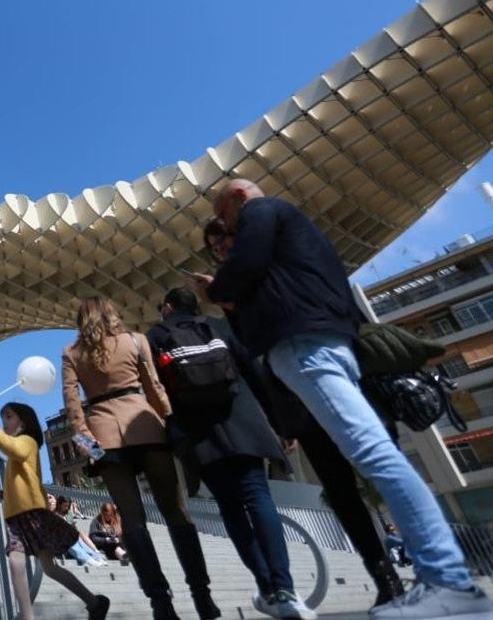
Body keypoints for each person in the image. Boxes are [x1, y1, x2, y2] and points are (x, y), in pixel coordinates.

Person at [194, 178, 491, 620]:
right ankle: (436, 579)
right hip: (323, 343)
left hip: (307, 348)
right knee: (372, 457)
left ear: (237, 198)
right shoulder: (292, 249)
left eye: (222, 215)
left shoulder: (261, 212)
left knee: (375, 456)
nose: (223, 226)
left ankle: (447, 578)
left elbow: (247, 263)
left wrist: (216, 291)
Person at [204, 218, 406, 608]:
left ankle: (431, 565)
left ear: (245, 235)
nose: (222, 251)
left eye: (224, 241)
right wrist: (231, 309)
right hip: (300, 399)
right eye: (214, 250)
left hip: (341, 379)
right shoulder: (242, 292)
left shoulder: (284, 265)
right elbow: (252, 352)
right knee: (341, 491)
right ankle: (384, 574)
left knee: (382, 469)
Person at [148, 287, 316, 620]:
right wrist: (281, 422)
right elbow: (254, 373)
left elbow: (155, 388)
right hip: (242, 421)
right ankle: (284, 587)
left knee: (230, 507)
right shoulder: (217, 327)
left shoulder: (156, 335)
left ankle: (266, 586)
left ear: (166, 308)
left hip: (200, 432)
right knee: (258, 496)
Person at [62, 297, 219, 620]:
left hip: (105, 439)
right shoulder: (136, 340)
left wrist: (89, 449)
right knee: (176, 513)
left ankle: (160, 602)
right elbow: (155, 389)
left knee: (132, 522)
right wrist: (169, 423)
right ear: (112, 314)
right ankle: (202, 595)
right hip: (147, 428)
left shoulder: (72, 354)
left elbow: (73, 411)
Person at [0, 401, 111, 620]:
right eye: (3, 418)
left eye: (9, 416)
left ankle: (29, 616)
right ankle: (94, 602)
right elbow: (19, 485)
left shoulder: (26, 441)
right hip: (18, 514)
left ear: (24, 421)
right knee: (44, 566)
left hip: (31, 513)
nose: (4, 422)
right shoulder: (17, 449)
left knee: (20, 561)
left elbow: (12, 448)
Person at [56, 497, 109, 567]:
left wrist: (72, 525)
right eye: (64, 506)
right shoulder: (55, 514)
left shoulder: (68, 514)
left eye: (68, 506)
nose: (66, 508)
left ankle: (95, 557)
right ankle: (87, 559)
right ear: (59, 505)